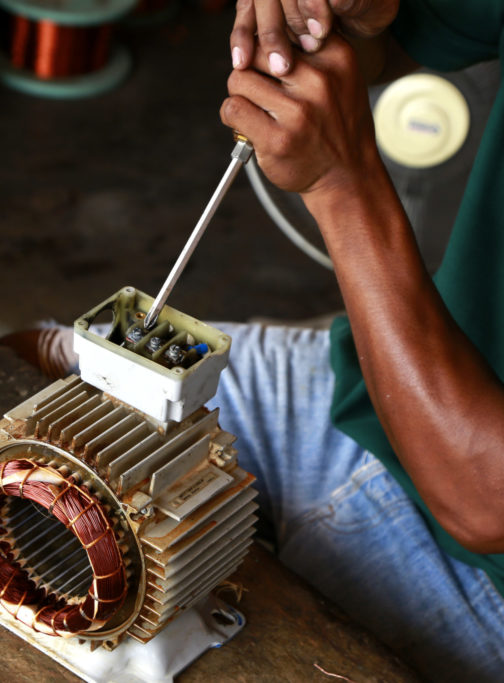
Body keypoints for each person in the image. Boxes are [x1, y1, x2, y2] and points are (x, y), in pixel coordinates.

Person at [213, 0, 504, 678]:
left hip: (481, 562)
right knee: (33, 381)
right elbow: (399, 40)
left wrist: (339, 184)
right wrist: (350, 22)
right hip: (390, 393)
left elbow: (486, 499)